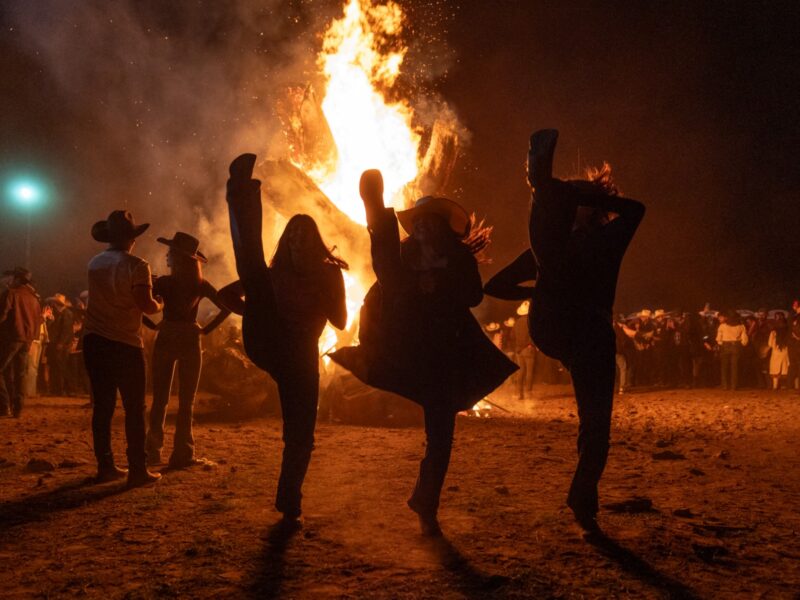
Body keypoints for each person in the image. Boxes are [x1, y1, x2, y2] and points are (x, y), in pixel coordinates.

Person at [331, 170, 516, 536]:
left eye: (428, 224)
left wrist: (441, 281)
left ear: (440, 227)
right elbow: (388, 276)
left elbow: (474, 296)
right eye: (418, 224)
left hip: (445, 353)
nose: (422, 230)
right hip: (405, 344)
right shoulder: (403, 255)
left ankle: (426, 498)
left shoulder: (459, 259)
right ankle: (375, 211)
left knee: (441, 433)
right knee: (425, 411)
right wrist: (418, 281)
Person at [492, 129, 644, 534]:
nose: (571, 203)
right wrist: (542, 287)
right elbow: (496, 286)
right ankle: (539, 184)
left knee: (596, 425)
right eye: (566, 198)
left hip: (583, 333)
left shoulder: (607, 238)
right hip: (561, 324)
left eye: (575, 199)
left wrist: (582, 196)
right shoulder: (549, 250)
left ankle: (583, 493)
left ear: (587, 206)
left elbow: (636, 209)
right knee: (595, 424)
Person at [222, 154, 347, 527]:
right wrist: (259, 315)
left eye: (303, 237)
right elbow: (230, 296)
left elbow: (340, 321)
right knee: (253, 267)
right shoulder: (275, 274)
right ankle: (241, 191)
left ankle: (289, 495)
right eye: (291, 237)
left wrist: (326, 292)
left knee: (301, 430)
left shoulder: (329, 275)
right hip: (272, 341)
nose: (295, 242)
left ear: (315, 242)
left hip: (302, 353)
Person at [84, 210, 163, 486]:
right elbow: (145, 305)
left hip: (95, 341)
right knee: (134, 408)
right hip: (125, 344)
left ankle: (105, 466)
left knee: (102, 407)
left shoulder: (95, 263)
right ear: (133, 238)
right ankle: (138, 470)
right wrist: (160, 303)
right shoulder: (138, 265)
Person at [145, 232, 231, 468]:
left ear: (177, 257)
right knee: (187, 401)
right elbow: (227, 306)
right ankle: (183, 453)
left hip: (167, 336)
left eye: (170, 253)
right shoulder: (200, 283)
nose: (167, 256)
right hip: (190, 338)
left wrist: (151, 324)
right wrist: (205, 330)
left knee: (160, 398)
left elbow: (139, 302)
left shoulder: (163, 282)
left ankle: (152, 452)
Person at [0, 267, 43, 418]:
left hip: (11, 337)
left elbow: (2, 314)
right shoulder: (34, 298)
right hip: (27, 339)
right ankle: (18, 408)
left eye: (9, 277)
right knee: (20, 374)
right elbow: (39, 320)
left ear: (16, 279)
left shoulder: (11, 294)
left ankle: (4, 406)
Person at [45, 293, 74, 396]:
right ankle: (58, 389)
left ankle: (63, 390)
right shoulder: (60, 314)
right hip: (58, 344)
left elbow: (66, 330)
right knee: (57, 367)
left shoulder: (66, 314)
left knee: (61, 367)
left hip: (62, 345)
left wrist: (61, 343)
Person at [716, 310, 748, 390]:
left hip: (725, 345)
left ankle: (725, 385)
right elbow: (744, 339)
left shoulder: (722, 326)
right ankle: (734, 385)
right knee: (735, 367)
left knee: (724, 366)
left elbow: (718, 338)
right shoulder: (741, 326)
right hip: (736, 346)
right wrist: (741, 344)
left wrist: (722, 343)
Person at [768, 313, 790, 390]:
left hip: (775, 352)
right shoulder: (787, 331)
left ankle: (775, 386)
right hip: (785, 351)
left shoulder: (773, 332)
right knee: (784, 369)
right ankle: (784, 386)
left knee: (775, 369)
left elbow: (770, 343)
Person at [788, 299, 800, 391]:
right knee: (793, 363)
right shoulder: (793, 316)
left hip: (797, 342)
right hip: (793, 343)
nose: (794, 306)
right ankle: (792, 384)